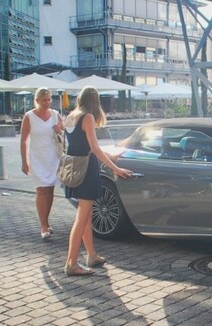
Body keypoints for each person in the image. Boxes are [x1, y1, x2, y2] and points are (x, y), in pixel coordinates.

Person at [63, 86, 133, 276]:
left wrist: (108, 155)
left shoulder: (71, 116)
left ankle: (91, 255)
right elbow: (94, 148)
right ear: (95, 101)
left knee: (84, 215)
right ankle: (71, 263)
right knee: (81, 218)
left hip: (74, 169)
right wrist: (116, 168)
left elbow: (78, 145)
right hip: (86, 170)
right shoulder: (88, 117)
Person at [20, 87, 64, 240]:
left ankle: (47, 221)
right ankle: (43, 225)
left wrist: (60, 130)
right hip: (37, 157)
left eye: (49, 99)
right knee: (41, 190)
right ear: (37, 100)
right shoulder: (29, 116)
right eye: (44, 100)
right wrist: (24, 160)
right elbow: (24, 140)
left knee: (50, 189)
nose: (47, 102)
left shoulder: (55, 115)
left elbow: (65, 134)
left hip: (53, 157)